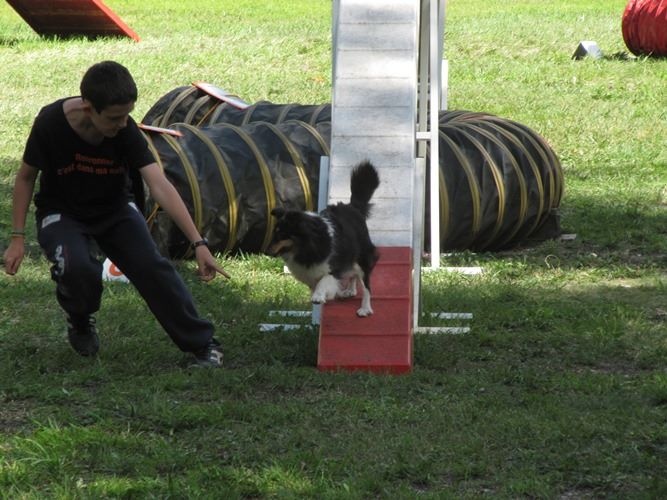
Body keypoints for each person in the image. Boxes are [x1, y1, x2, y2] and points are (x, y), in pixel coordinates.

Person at [2, 60, 229, 367]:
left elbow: (159, 184)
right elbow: (26, 177)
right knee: (77, 267)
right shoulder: (51, 122)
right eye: (113, 118)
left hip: (114, 210)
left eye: (127, 115)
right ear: (87, 107)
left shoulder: (125, 131)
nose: (122, 124)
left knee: (152, 267)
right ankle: (80, 319)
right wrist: (17, 237)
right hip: (62, 212)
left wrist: (199, 244)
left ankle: (203, 345)